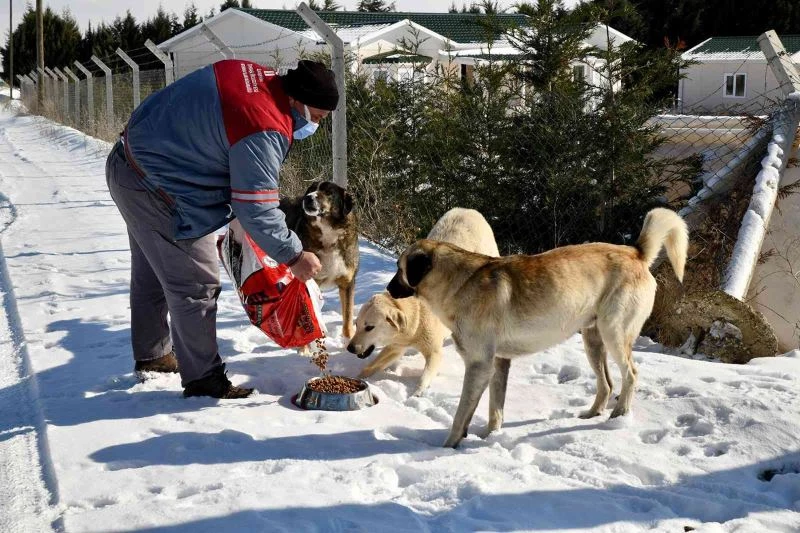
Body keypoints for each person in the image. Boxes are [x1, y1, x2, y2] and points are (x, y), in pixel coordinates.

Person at [106, 59, 339, 399]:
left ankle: (154, 356)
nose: (316, 124)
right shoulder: (265, 124)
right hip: (160, 190)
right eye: (317, 117)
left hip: (131, 164)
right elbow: (256, 207)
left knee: (153, 271)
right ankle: (204, 381)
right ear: (297, 100)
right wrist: (293, 254)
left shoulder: (254, 74)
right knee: (196, 283)